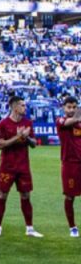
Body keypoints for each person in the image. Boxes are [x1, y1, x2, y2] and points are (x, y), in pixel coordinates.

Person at [0, 95, 42, 238]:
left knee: (26, 195)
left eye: (25, 105)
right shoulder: (4, 123)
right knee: (2, 195)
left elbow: (34, 144)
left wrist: (26, 137)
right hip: (7, 166)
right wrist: (17, 136)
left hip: (23, 166)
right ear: (14, 107)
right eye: (22, 105)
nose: (25, 108)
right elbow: (0, 145)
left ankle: (30, 228)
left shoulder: (27, 123)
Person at [57, 96, 81, 237]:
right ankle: (72, 227)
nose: (71, 110)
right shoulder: (60, 121)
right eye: (69, 107)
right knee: (70, 196)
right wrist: (78, 114)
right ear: (63, 108)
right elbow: (70, 122)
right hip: (70, 164)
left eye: (74, 107)